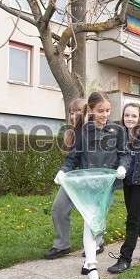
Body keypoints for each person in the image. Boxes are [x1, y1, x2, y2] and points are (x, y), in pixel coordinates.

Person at [54, 91, 131, 279]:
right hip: (87, 185)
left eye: (107, 110)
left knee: (95, 223)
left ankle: (89, 262)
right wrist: (63, 171)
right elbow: (72, 158)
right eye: (100, 111)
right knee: (91, 221)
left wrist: (123, 166)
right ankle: (92, 267)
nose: (104, 115)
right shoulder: (83, 131)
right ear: (90, 110)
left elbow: (125, 154)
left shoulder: (118, 131)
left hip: (106, 186)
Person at [44, 98, 104, 260]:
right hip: (73, 178)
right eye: (71, 113)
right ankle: (62, 245)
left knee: (91, 214)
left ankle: (96, 243)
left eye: (78, 111)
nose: (74, 115)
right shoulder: (74, 133)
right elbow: (71, 159)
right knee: (59, 208)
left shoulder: (98, 129)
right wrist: (63, 172)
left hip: (91, 178)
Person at [107, 103, 140, 274]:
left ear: (139, 118)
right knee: (136, 217)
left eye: (134, 116)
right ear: (123, 116)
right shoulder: (119, 135)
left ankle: (125, 258)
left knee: (132, 220)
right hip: (127, 184)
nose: (130, 119)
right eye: (127, 115)